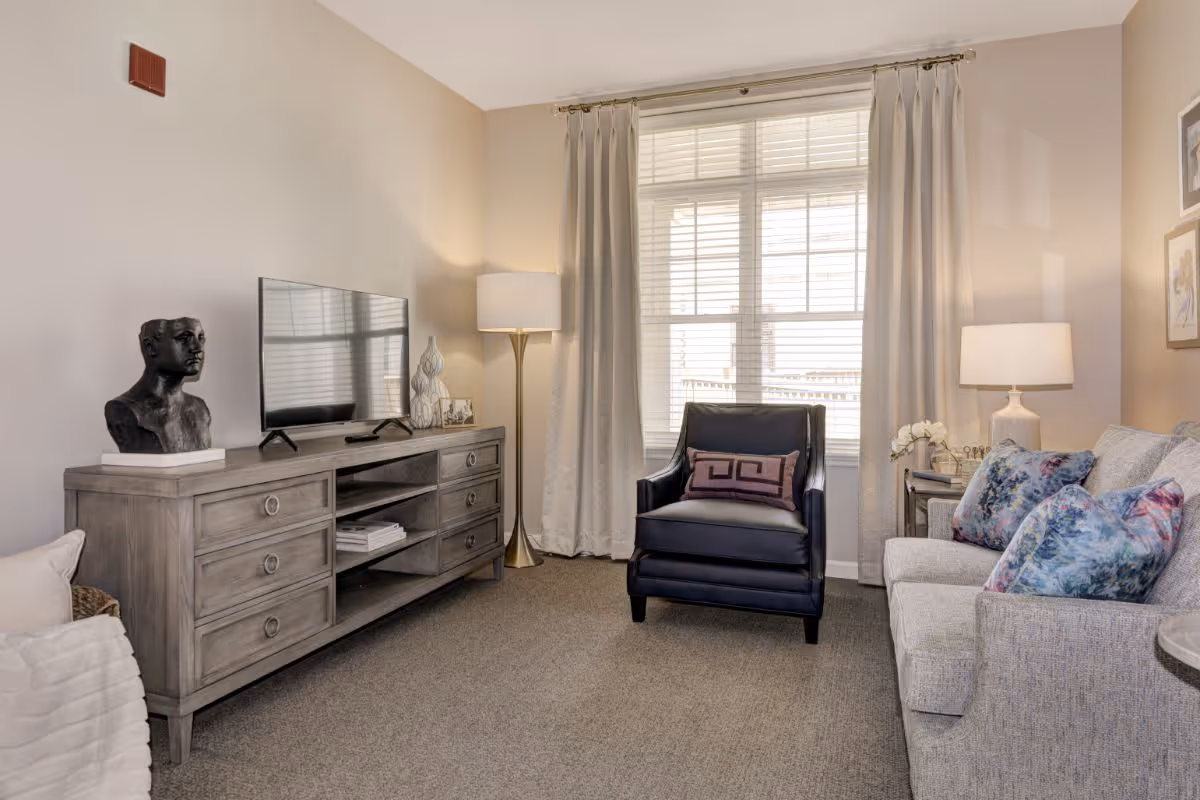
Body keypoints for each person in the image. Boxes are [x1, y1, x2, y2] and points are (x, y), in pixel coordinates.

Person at [105, 317, 212, 453]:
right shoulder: (125, 410)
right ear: (151, 347)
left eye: (200, 338)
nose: (198, 348)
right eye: (184, 338)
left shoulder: (199, 409)